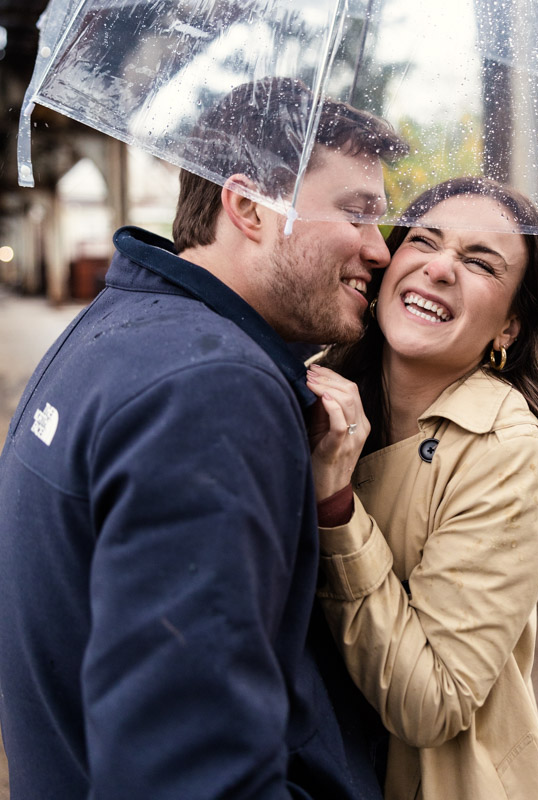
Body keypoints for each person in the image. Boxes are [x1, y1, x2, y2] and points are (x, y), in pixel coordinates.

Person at [0, 77, 406, 800]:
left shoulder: (114, 329)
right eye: (357, 213)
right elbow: (189, 771)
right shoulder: (213, 388)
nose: (380, 250)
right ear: (247, 205)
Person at [305, 176, 538, 800]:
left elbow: (432, 702)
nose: (440, 268)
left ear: (508, 327)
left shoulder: (508, 456)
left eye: (480, 262)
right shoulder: (324, 392)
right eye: (424, 241)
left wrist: (336, 508)